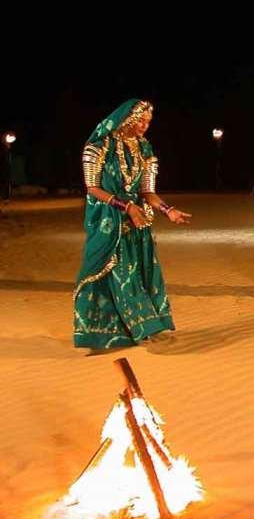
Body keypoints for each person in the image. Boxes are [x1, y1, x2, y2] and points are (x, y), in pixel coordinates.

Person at [73, 99, 191, 349]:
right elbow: (92, 188)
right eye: (141, 120)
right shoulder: (97, 147)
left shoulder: (144, 149)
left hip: (138, 221)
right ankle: (137, 328)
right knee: (118, 273)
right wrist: (125, 206)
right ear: (127, 118)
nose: (145, 126)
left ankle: (144, 326)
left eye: (149, 122)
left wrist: (167, 210)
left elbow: (148, 191)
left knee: (138, 273)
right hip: (109, 221)